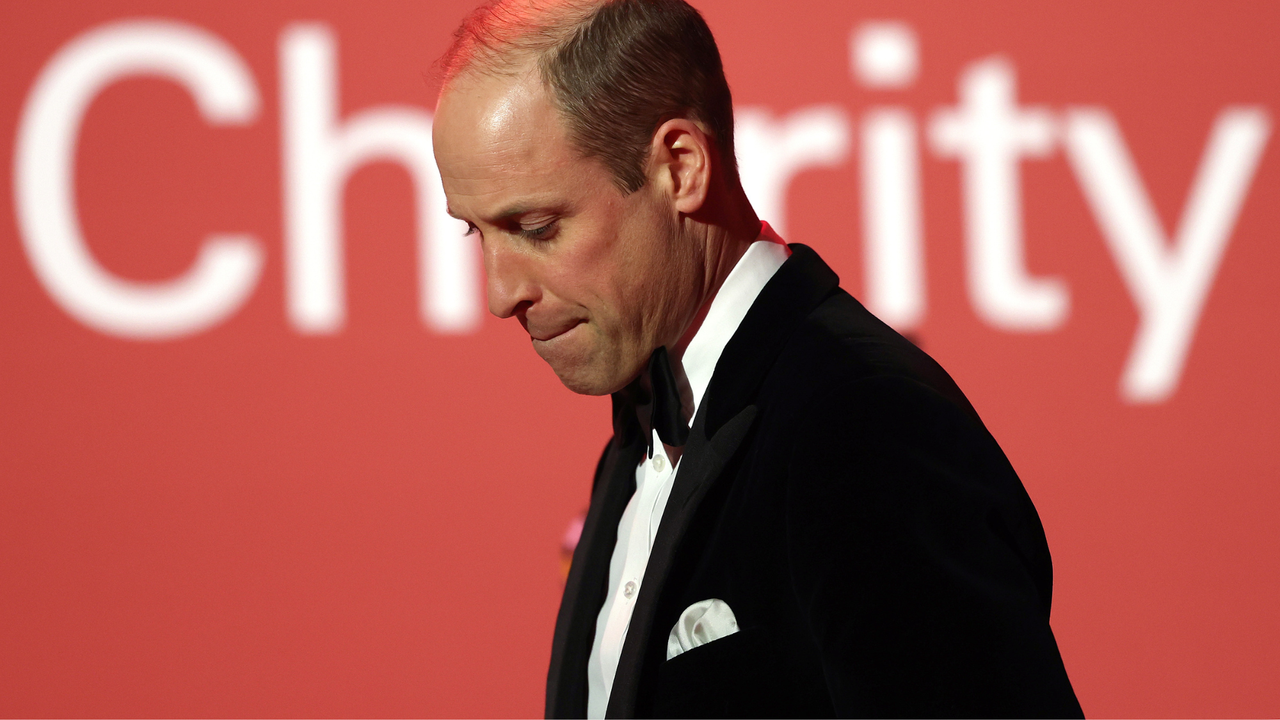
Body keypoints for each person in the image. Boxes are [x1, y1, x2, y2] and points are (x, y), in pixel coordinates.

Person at [431, 0, 1083, 716]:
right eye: (476, 234)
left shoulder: (863, 427)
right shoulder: (645, 422)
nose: (499, 293)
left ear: (680, 168)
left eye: (536, 226)